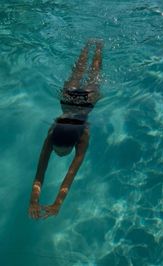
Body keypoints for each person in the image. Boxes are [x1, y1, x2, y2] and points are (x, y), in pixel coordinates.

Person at [29, 40, 103, 219]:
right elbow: (42, 174)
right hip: (67, 99)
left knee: (94, 75)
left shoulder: (83, 137)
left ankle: (98, 46)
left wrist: (54, 203)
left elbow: (66, 175)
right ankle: (89, 45)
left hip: (88, 102)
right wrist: (35, 201)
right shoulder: (53, 135)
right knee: (78, 72)